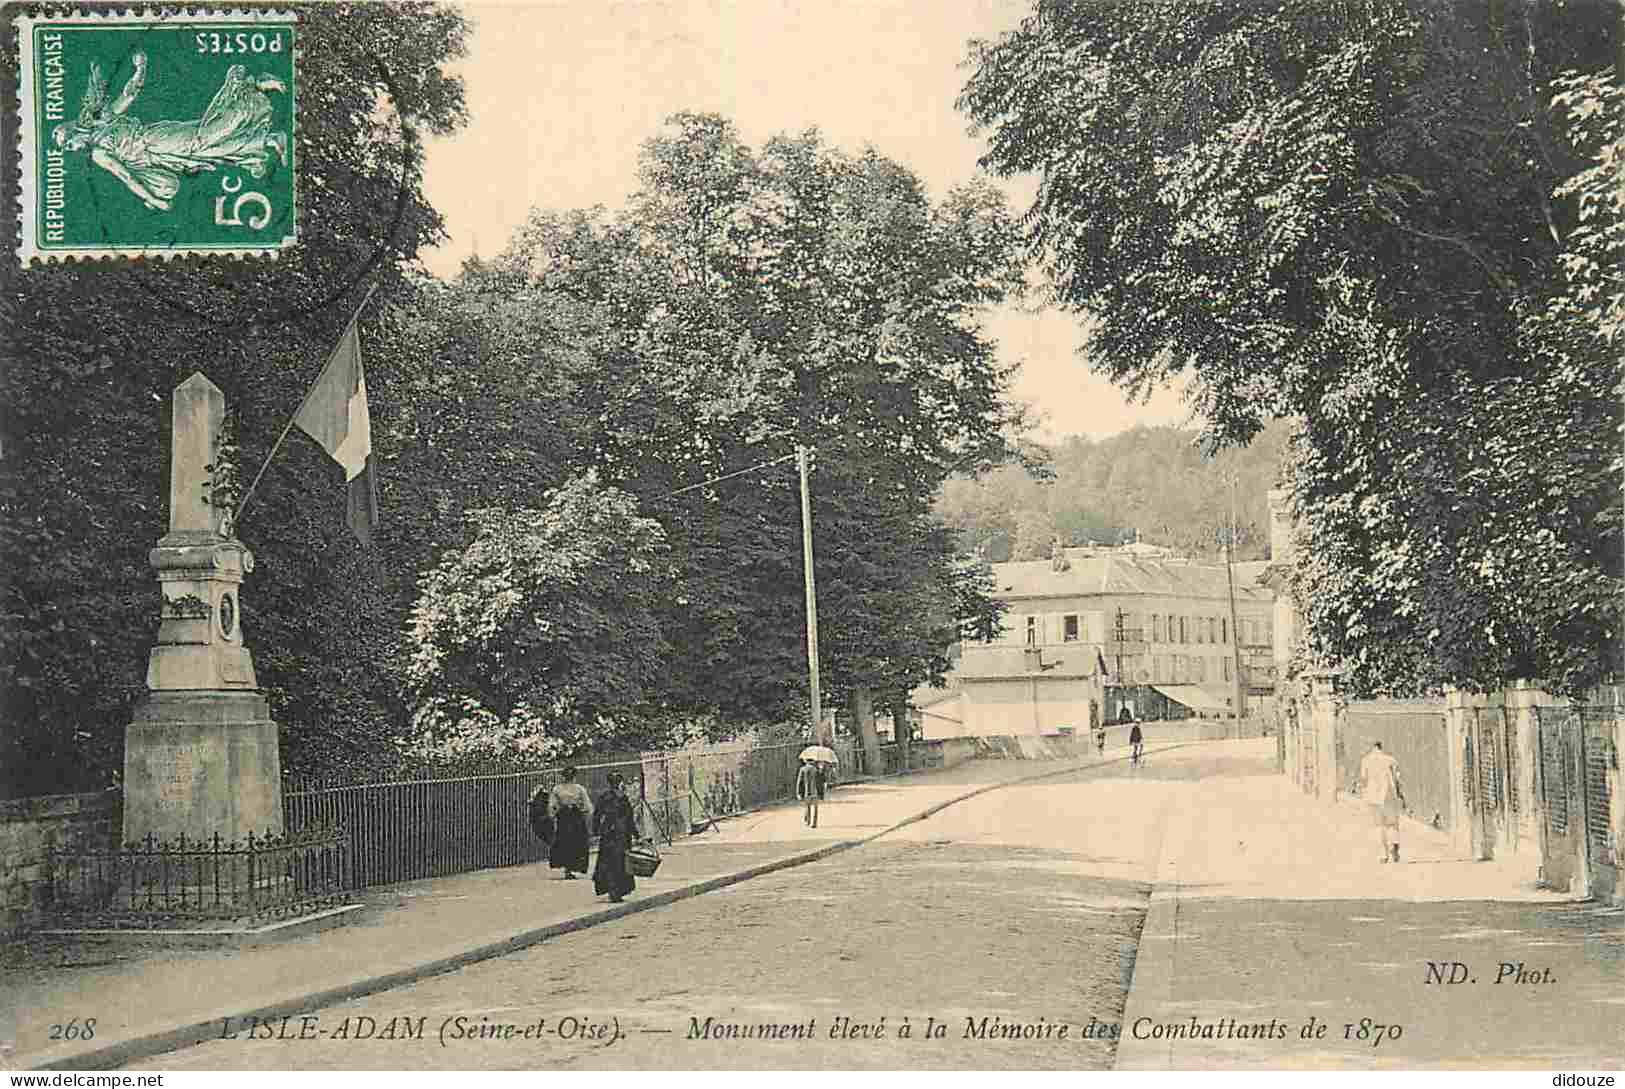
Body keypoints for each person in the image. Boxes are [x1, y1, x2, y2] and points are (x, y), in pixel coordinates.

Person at [592, 771, 638, 903]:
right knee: (620, 863)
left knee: (607, 861)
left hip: (608, 832)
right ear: (619, 782)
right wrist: (636, 834)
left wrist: (596, 830)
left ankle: (612, 889)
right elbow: (629, 818)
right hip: (621, 834)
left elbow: (597, 814)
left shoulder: (604, 797)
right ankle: (617, 890)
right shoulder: (623, 797)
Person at [1358, 740, 1407, 863]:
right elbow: (1397, 779)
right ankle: (1395, 844)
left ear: (1372, 748)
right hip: (1389, 795)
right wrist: (1401, 796)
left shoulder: (1366, 760)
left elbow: (1364, 779)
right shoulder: (1390, 760)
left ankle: (1383, 854)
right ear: (1381, 747)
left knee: (1379, 825)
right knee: (1393, 823)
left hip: (1373, 797)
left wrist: (1362, 793)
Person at [546, 766, 592, 880]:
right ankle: (569, 868)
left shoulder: (562, 789)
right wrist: (585, 812)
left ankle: (569, 868)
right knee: (570, 841)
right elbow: (587, 805)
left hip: (568, 816)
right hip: (570, 816)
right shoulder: (575, 788)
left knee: (570, 841)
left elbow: (552, 805)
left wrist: (553, 814)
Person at [796, 759, 821, 828]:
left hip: (807, 791)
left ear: (806, 761)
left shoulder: (802, 769)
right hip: (815, 791)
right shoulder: (816, 770)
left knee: (807, 807)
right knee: (815, 808)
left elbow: (799, 782)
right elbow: (819, 782)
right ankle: (814, 823)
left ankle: (808, 821)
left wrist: (798, 793)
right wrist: (821, 793)